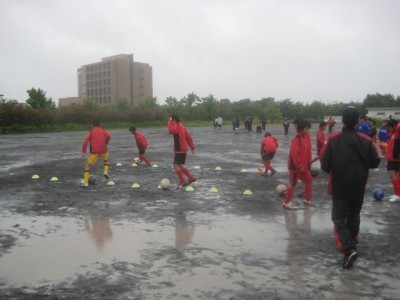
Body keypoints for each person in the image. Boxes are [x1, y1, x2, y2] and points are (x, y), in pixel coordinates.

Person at [320, 106, 380, 269]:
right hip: (359, 184)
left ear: (343, 121)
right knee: (354, 215)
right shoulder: (366, 140)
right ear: (358, 120)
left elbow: (324, 165)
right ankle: (352, 240)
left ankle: (349, 248)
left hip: (339, 185)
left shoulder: (333, 139)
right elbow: (375, 161)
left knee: (338, 218)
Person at [282, 119, 314, 209]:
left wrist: (308, 163)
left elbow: (307, 153)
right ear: (301, 128)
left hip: (303, 167)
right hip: (295, 168)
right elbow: (294, 156)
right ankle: (286, 202)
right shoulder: (296, 140)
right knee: (293, 184)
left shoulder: (305, 138)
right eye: (307, 128)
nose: (308, 131)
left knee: (309, 180)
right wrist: (299, 167)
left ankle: (307, 200)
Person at [167, 114, 196, 189]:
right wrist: (192, 147)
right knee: (180, 165)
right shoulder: (182, 126)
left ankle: (183, 180)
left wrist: (169, 122)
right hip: (183, 149)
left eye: (172, 121)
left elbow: (170, 131)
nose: (172, 123)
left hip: (180, 149)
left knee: (175, 165)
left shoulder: (177, 126)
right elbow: (189, 138)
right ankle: (191, 178)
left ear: (174, 120)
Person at [81, 120, 111, 188]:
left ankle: (85, 182)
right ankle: (105, 172)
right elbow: (108, 135)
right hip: (104, 150)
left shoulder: (91, 132)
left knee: (88, 165)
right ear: (100, 124)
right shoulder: (103, 130)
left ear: (92, 125)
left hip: (94, 151)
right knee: (106, 161)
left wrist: (83, 151)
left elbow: (86, 141)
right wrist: (105, 142)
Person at [385, 119, 400, 202]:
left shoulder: (398, 132)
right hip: (392, 157)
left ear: (394, 126)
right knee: (396, 175)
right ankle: (397, 194)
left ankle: (397, 195)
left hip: (394, 158)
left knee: (393, 174)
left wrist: (397, 124)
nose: (388, 129)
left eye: (389, 127)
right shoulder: (393, 133)